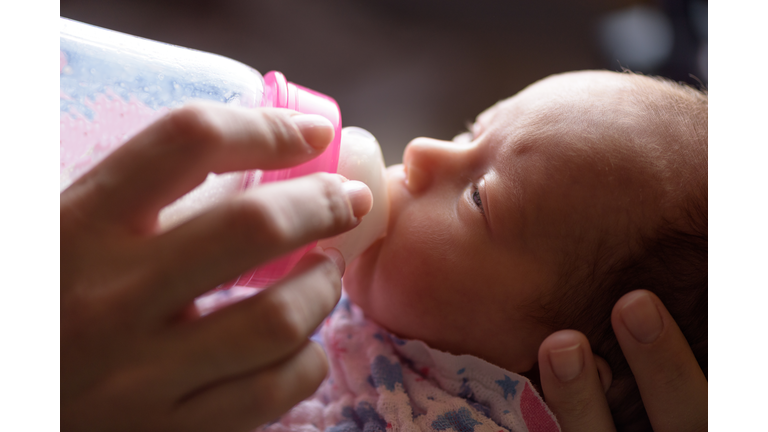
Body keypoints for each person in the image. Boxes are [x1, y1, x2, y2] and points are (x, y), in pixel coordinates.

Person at [60, 72, 706, 432]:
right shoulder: (355, 291)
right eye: (468, 131)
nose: (424, 151)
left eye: (481, 196)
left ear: (558, 364)